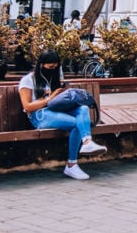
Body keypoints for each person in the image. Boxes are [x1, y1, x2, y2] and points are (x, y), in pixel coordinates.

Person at [18, 50, 106, 180]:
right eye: (50, 67)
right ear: (41, 65)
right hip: (40, 116)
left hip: (56, 111)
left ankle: (87, 142)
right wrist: (50, 98)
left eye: (55, 67)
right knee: (78, 124)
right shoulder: (28, 80)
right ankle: (72, 165)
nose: (53, 70)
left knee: (82, 108)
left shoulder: (54, 79)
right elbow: (27, 107)